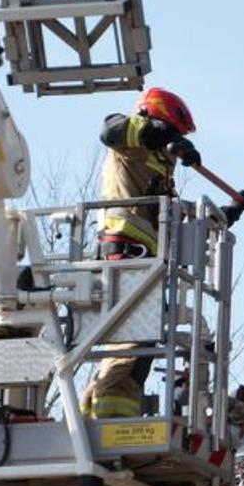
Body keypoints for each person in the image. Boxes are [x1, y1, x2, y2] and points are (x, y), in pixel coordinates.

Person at [81, 87, 200, 419]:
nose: (174, 148)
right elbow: (109, 128)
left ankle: (105, 410)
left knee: (143, 339)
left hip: (146, 259)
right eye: (173, 133)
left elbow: (172, 218)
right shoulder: (128, 142)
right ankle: (106, 412)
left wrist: (229, 213)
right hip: (125, 250)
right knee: (133, 334)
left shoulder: (159, 168)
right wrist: (155, 132)